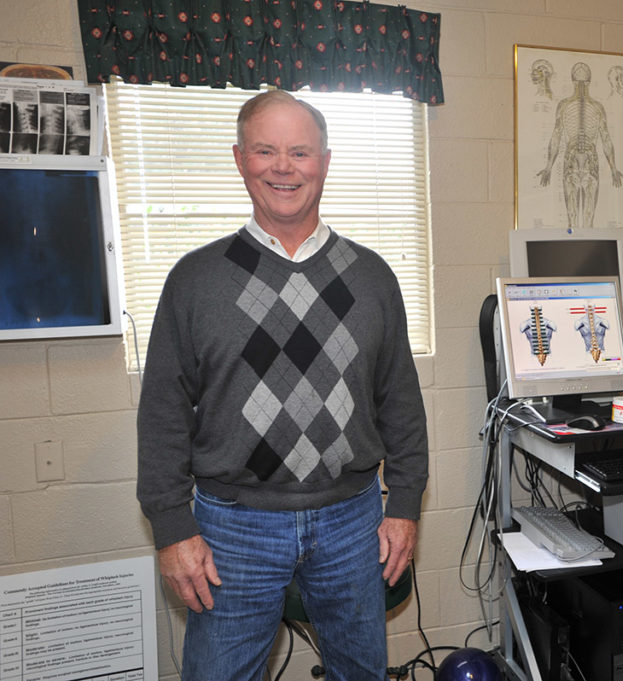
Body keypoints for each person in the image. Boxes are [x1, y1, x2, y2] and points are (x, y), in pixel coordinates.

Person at [136, 89, 429, 681]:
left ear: (325, 160)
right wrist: (172, 528)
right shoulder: (194, 279)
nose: (283, 167)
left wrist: (403, 504)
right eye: (266, 150)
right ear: (240, 158)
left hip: (353, 520)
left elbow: (400, 401)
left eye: (300, 152)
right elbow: (163, 413)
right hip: (232, 527)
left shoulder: (372, 277)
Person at [537, 61, 623, 231]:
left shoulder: (597, 107)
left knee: (589, 220)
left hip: (590, 162)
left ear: (589, 82)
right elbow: (556, 135)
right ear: (573, 82)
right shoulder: (564, 105)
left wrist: (613, 167)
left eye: (584, 82)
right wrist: (548, 166)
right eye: (579, 82)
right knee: (572, 220)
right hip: (571, 161)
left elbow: (605, 137)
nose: (581, 85)